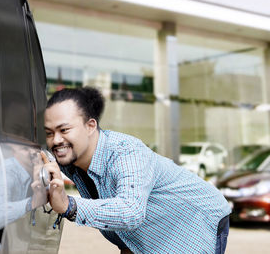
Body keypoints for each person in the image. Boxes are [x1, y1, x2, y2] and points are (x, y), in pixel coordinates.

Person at [41, 87, 231, 254]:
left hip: (197, 219)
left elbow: (130, 211)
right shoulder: (68, 158)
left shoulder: (126, 153)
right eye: (49, 133)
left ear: (90, 126)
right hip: (147, 232)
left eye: (64, 130)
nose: (56, 140)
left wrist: (69, 205)